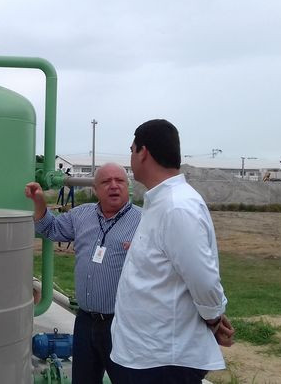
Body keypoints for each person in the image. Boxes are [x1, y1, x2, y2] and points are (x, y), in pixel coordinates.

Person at [110, 119, 234, 384]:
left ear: (143, 152)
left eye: (132, 150)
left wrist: (214, 319)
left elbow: (203, 278)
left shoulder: (177, 207)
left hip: (163, 362)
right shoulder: (161, 202)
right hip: (145, 355)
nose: (130, 157)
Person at [25, 163, 142, 384]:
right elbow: (51, 229)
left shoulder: (144, 222)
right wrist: (39, 202)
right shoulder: (82, 215)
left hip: (123, 325)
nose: (114, 186)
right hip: (86, 321)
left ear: (128, 187)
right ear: (95, 189)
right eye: (106, 182)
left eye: (120, 181)